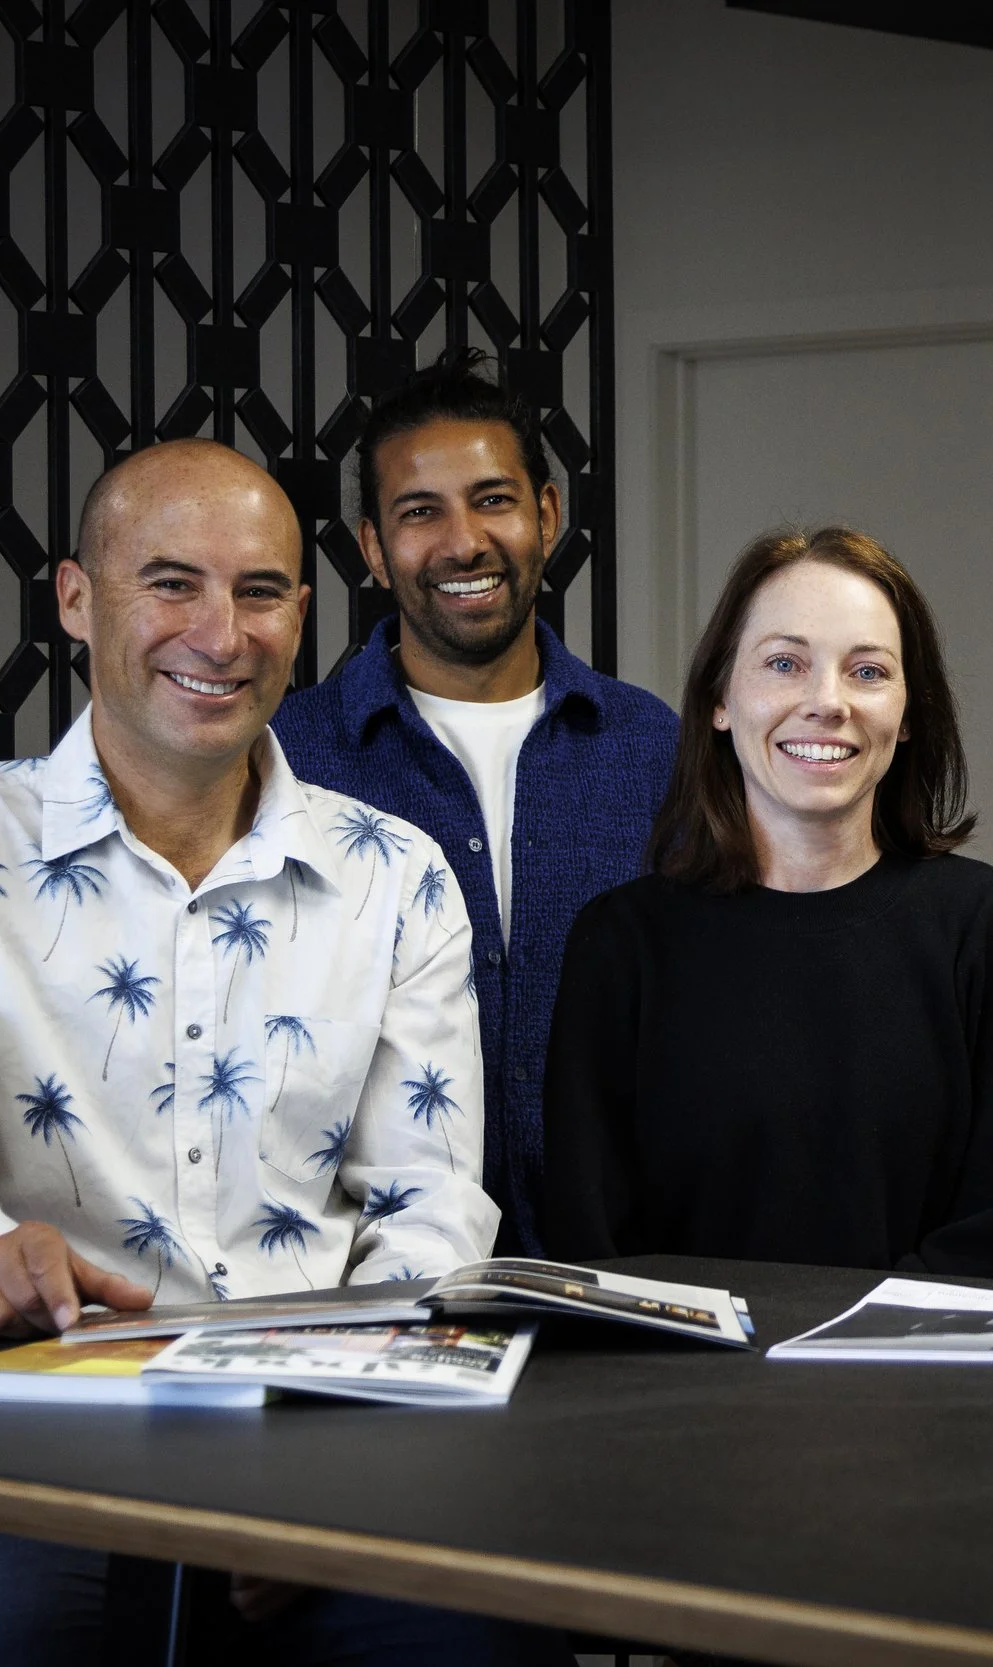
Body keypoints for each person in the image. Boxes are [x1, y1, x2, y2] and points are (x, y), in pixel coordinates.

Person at [0, 439, 564, 1664]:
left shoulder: (396, 875)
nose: (221, 633)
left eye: (260, 591)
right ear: (76, 598)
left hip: (329, 1443)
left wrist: (332, 1454)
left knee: (493, 1647)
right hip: (42, 1452)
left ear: (304, 612)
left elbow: (430, 1200)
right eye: (172, 583)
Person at [538, 527, 993, 1277]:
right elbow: (594, 1246)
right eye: (784, 664)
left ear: (909, 712)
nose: (827, 702)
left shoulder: (991, 933)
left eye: (868, 671)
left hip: (924, 1384)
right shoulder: (621, 947)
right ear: (721, 698)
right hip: (677, 1383)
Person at [275, 349, 676, 1259]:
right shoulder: (289, 759)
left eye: (493, 499)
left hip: (617, 1270)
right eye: (420, 512)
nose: (463, 542)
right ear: (374, 549)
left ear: (548, 513)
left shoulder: (653, 748)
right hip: (365, 1282)